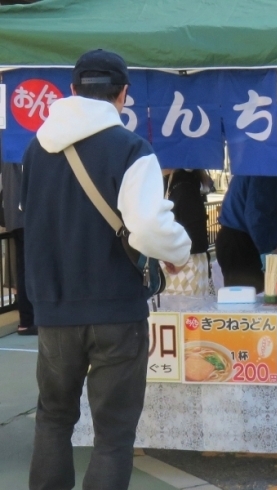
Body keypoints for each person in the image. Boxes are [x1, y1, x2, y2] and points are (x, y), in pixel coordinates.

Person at [21, 49, 191, 490]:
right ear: (123, 96)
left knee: (54, 419)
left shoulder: (35, 151)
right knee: (113, 434)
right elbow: (149, 225)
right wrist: (180, 251)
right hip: (117, 308)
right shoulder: (132, 148)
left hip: (55, 310)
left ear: (73, 91)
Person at [215, 176, 277, 292]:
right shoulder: (265, 171)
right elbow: (255, 215)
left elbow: (274, 192)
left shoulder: (255, 165)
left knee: (243, 298)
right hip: (241, 243)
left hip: (233, 239)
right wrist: (267, 249)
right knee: (247, 299)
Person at [162, 169, 213, 296]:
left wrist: (178, 261)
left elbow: (195, 237)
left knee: (186, 314)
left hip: (185, 266)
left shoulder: (184, 189)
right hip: (185, 266)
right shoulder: (183, 186)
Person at [0, 160, 36, 335]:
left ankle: (26, 319)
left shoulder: (6, 141)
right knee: (33, 267)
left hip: (14, 216)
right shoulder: (28, 141)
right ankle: (30, 319)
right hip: (30, 214)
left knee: (23, 266)